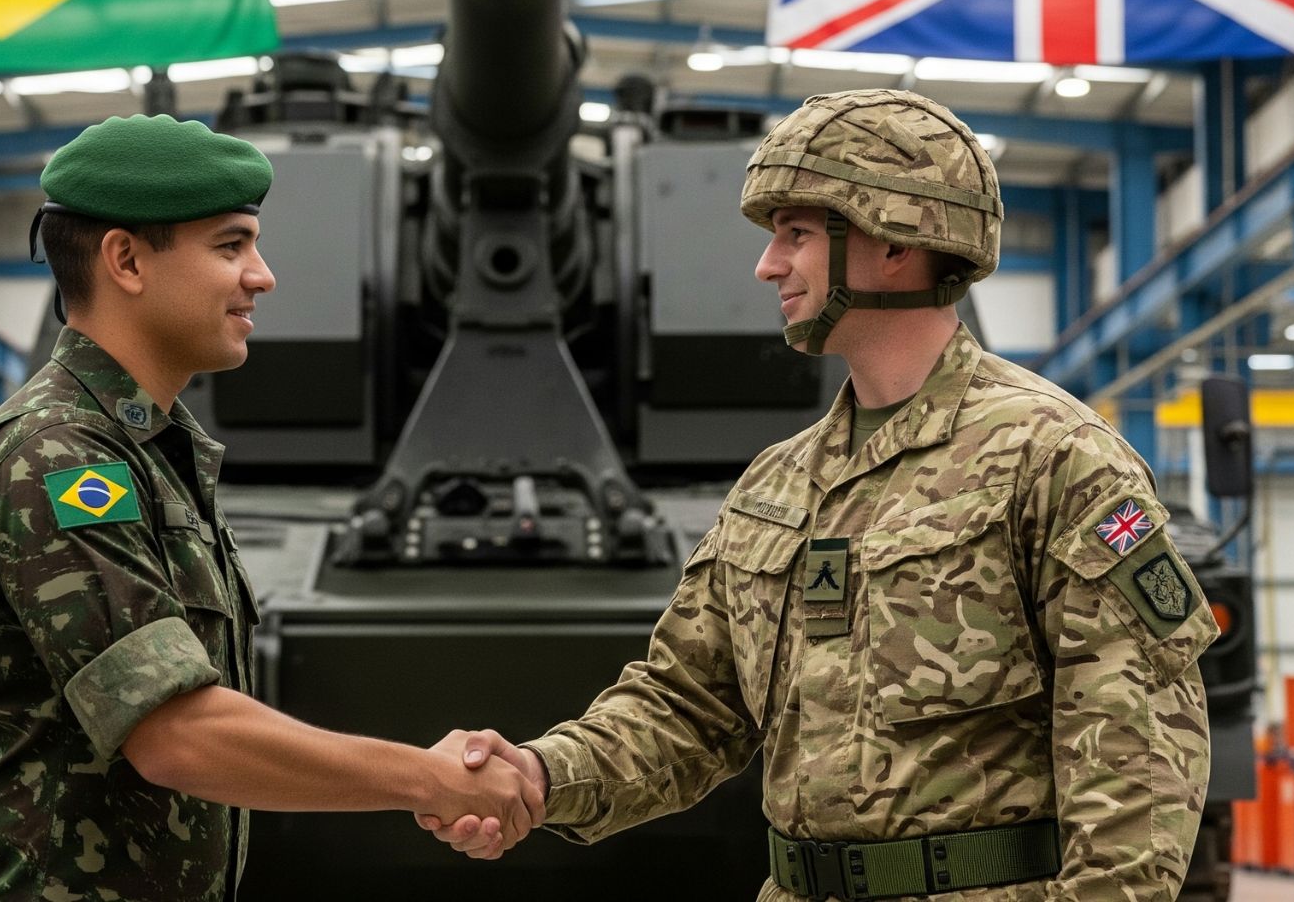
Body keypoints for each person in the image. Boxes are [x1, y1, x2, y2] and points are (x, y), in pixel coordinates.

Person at [422, 90, 1219, 901]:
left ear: (899, 241)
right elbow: (689, 707)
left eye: (797, 234)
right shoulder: (778, 483)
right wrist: (540, 773)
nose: (768, 265)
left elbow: (1137, 755)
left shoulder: (1055, 458)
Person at [0, 114, 541, 900]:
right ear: (125, 260)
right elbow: (176, 733)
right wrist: (429, 779)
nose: (262, 275)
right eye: (230, 245)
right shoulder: (60, 459)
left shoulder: (146, 456)